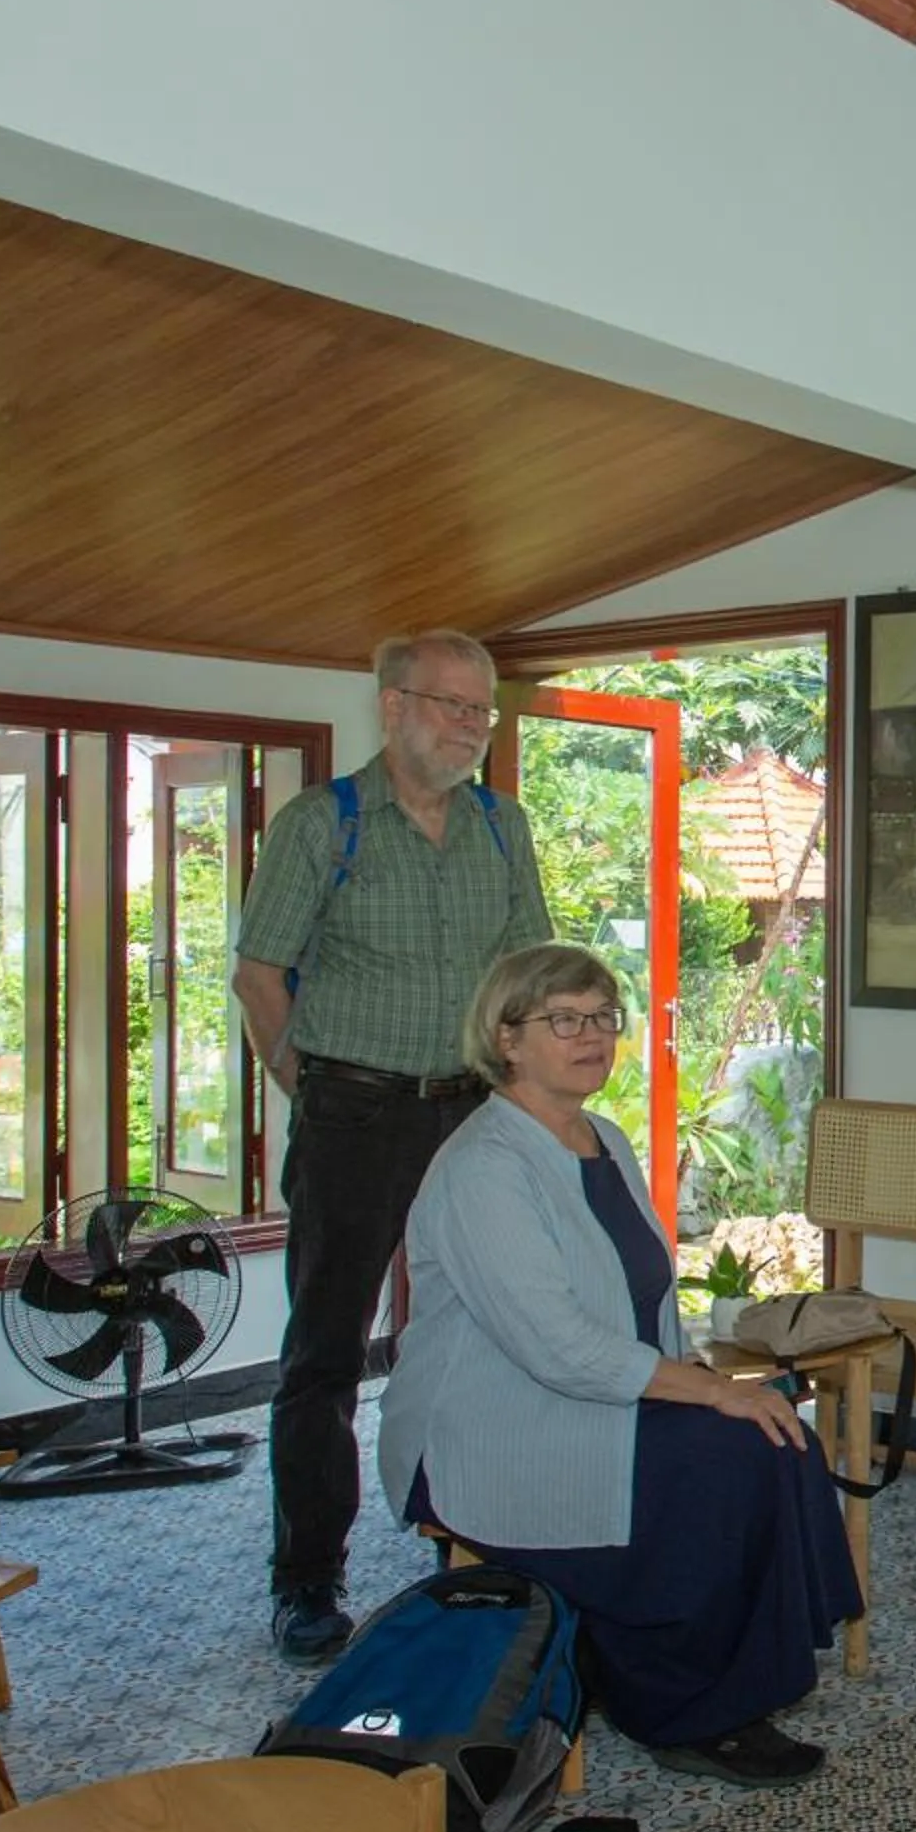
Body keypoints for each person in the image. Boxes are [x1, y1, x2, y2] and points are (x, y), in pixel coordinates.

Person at [377, 944, 862, 1786]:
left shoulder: (600, 1138)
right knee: (722, 1462)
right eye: (565, 1019)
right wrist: (710, 1393)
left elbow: (640, 1307)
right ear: (507, 1037)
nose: (592, 1036)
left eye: (603, 1017)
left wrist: (716, 1393)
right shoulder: (486, 1167)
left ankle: (721, 1683)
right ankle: (679, 1706)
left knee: (775, 1440)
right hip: (495, 1429)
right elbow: (555, 1344)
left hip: (601, 1399)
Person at [232, 629, 552, 1662]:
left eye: (481, 710)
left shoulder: (505, 827)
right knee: (326, 1349)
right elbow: (260, 974)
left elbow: (531, 972)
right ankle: (307, 1574)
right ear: (393, 706)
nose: (468, 727)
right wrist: (314, 1086)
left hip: (473, 1112)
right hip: (355, 1114)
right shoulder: (324, 824)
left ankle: (468, 1541)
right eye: (450, 705)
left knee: (483, 1330)